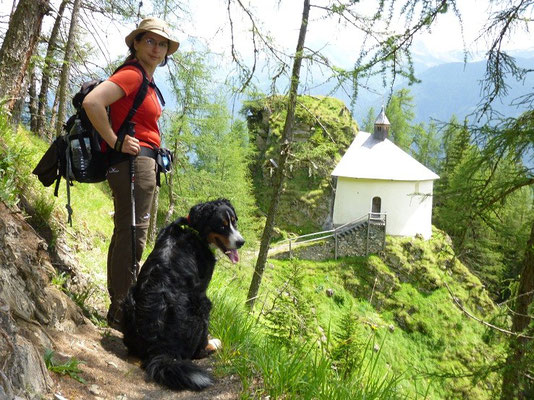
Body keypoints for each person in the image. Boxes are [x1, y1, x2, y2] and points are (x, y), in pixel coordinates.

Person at [82, 17, 179, 329]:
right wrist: (115, 141)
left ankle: (121, 307)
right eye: (149, 41)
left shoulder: (146, 80)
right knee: (132, 235)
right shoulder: (133, 75)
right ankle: (123, 312)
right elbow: (92, 102)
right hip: (132, 165)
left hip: (143, 164)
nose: (156, 48)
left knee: (130, 233)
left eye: (162, 43)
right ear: (136, 43)